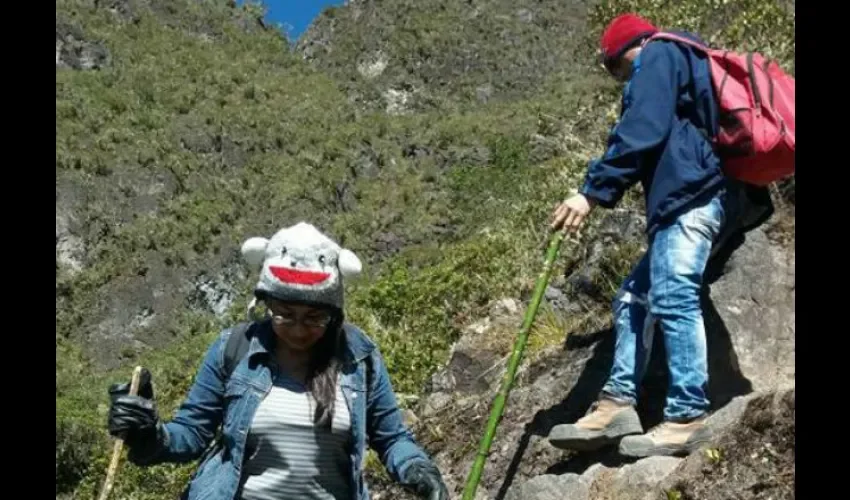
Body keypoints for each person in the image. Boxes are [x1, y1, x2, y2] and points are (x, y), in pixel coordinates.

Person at [546, 14, 774, 458]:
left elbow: (642, 130)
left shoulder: (659, 55)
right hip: (692, 198)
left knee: (672, 293)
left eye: (613, 68)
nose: (617, 79)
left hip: (693, 196)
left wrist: (591, 193)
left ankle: (686, 417)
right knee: (633, 297)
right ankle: (616, 404)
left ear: (621, 52)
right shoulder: (679, 59)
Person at [107, 222, 450, 500]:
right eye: (285, 314)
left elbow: (391, 438)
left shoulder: (359, 357)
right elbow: (192, 434)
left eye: (315, 317)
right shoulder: (235, 349)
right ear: (264, 304)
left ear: (335, 314)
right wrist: (147, 433)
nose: (299, 330)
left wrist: (417, 469)